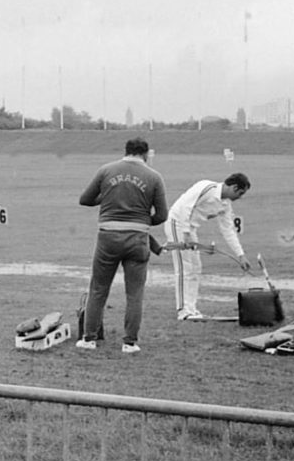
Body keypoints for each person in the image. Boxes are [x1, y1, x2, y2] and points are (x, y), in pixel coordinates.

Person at [76, 137, 167, 353]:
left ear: (125, 151)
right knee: (134, 293)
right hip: (138, 239)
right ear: (146, 154)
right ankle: (129, 343)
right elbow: (162, 215)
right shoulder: (154, 177)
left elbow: (85, 199)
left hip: (108, 236)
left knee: (98, 289)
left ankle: (88, 339)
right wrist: (143, 221)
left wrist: (106, 197)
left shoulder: (106, 170)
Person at [164, 172, 251, 320]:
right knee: (184, 268)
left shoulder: (225, 205)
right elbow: (186, 206)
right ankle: (183, 311)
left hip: (190, 229)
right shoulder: (206, 187)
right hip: (176, 223)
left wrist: (240, 255)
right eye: (241, 193)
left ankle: (191, 309)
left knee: (196, 267)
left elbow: (228, 230)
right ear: (234, 187)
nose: (240, 197)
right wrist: (185, 232)